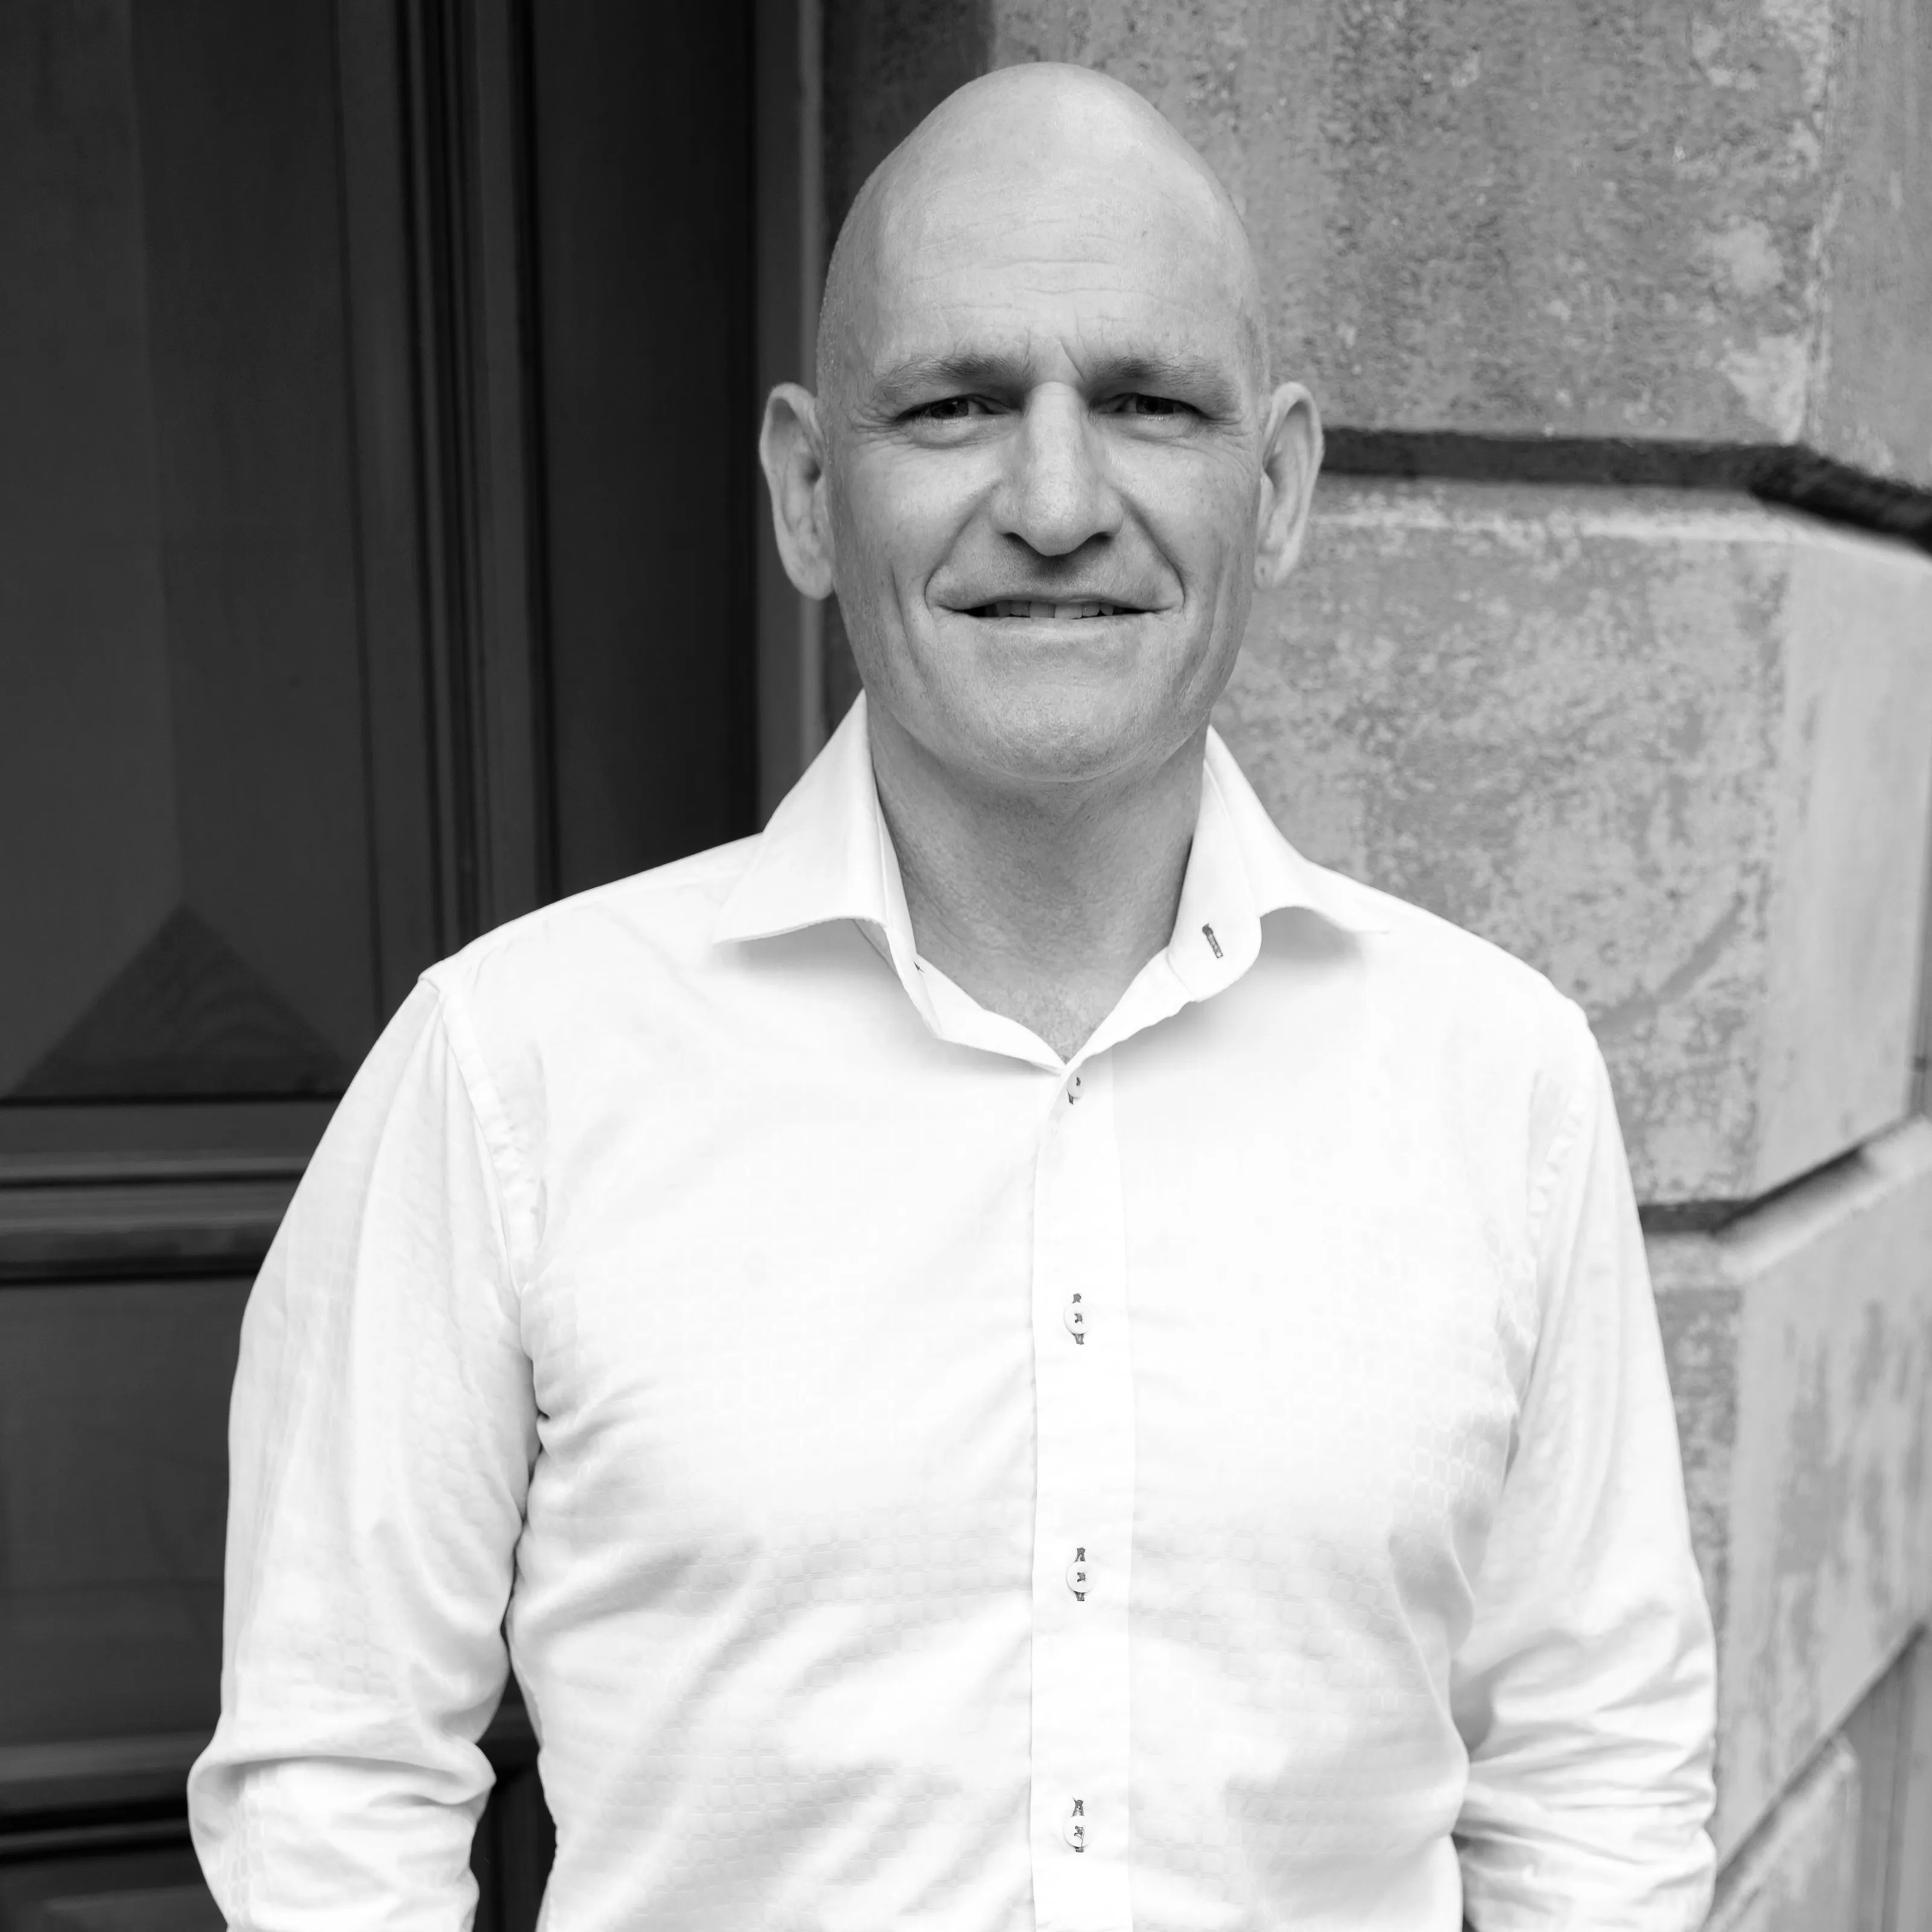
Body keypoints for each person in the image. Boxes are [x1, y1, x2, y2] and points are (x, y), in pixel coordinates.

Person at [189, 60, 1717, 1930]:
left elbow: (1595, 1790)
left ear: (1284, 485)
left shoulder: (1504, 1086)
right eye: (957, 404)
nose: (1058, 499)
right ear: (812, 493)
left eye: (1148, 404)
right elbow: (334, 1770)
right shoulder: (511, 1070)